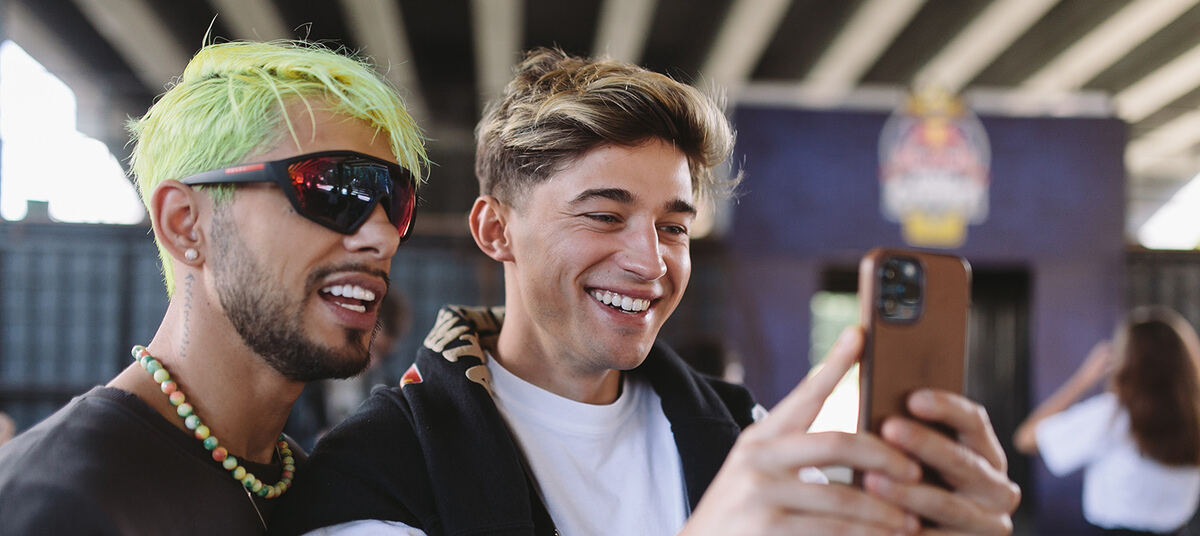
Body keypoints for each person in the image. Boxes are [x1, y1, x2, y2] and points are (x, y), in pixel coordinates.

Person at [271, 48, 1019, 536]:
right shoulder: (379, 468)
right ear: (496, 230)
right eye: (604, 216)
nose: (651, 262)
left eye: (673, 226)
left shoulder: (742, 433)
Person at [0, 40, 427, 535]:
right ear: (184, 223)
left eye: (395, 202)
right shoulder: (58, 503)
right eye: (332, 190)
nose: (382, 238)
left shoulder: (325, 492)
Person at [1015, 307, 1200, 535]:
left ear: (1128, 362)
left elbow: (1026, 438)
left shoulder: (1113, 417)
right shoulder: (1194, 419)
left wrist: (1082, 379)